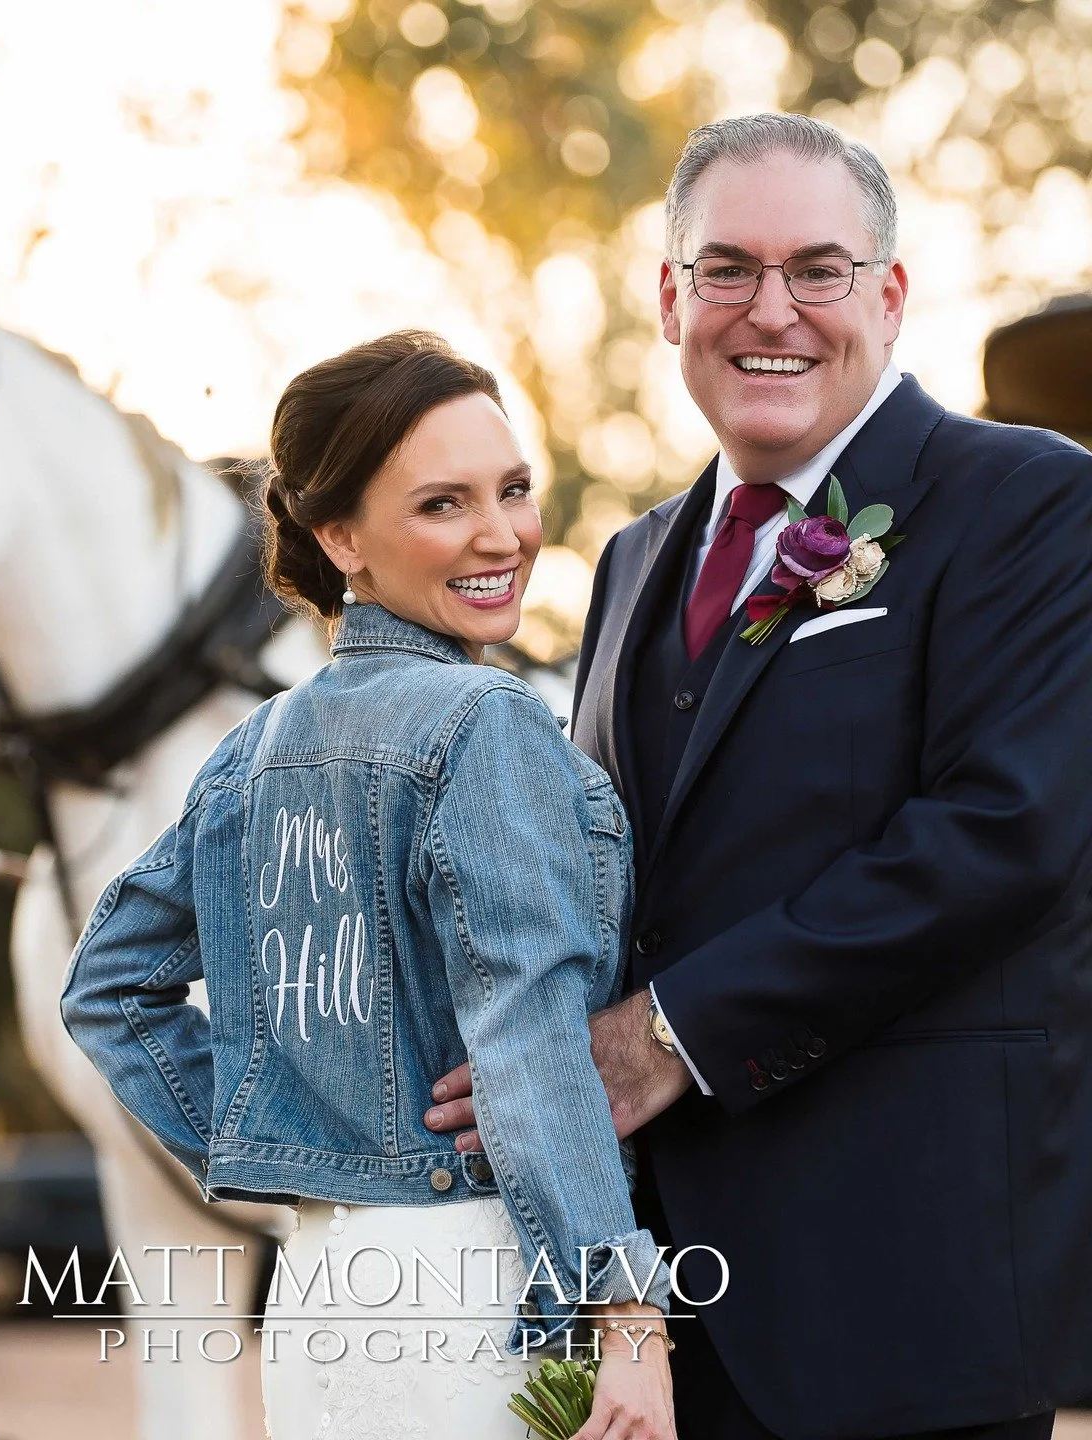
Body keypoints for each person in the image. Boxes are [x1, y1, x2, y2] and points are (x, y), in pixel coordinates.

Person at [426, 113, 1092, 1439]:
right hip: (663, 1314)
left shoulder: (1033, 501)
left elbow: (1001, 838)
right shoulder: (631, 557)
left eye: (818, 270)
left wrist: (663, 1034)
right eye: (726, 268)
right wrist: (516, 1042)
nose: (769, 309)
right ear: (670, 300)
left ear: (889, 297)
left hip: (903, 1293)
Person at [62, 331, 677, 1440]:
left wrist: (282, 1144)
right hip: (487, 1282)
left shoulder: (250, 754)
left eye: (514, 489)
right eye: (443, 505)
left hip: (320, 1290)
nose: (502, 537)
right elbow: (530, 1042)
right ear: (339, 536)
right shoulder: (487, 728)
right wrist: (628, 1313)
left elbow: (108, 986)